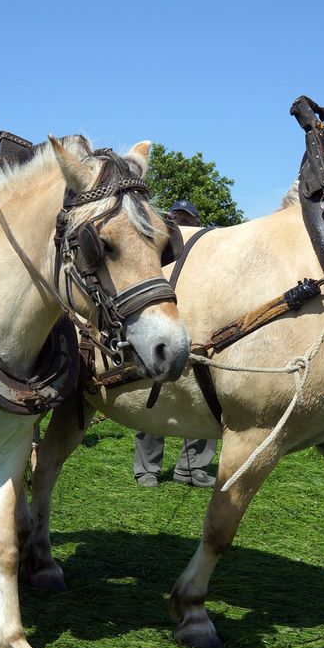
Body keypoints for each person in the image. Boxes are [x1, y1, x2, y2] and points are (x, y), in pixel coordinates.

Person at [135, 199, 217, 488]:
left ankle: (192, 468)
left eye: (187, 219)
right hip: (162, 328)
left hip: (200, 328)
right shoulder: (153, 250)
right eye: (176, 219)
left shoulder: (207, 250)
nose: (182, 224)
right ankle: (147, 470)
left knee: (205, 401)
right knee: (153, 397)